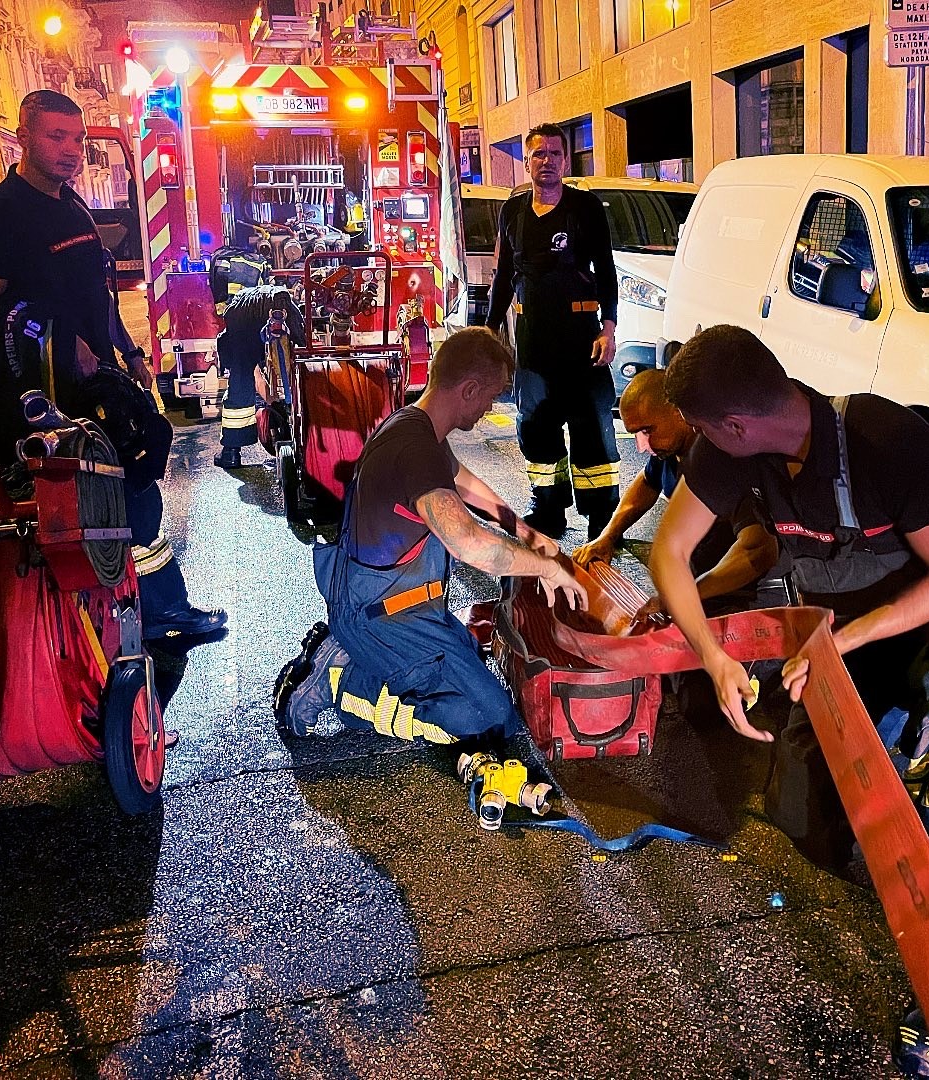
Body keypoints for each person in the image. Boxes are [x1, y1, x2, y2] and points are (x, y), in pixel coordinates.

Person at [646, 324, 929, 1077]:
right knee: (813, 822)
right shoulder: (729, 451)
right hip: (841, 639)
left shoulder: (886, 438)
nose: (695, 446)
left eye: (705, 431)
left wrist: (848, 641)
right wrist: (715, 660)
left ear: (736, 425)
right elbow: (668, 551)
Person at [0, 89, 226, 646]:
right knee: (101, 506)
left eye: (77, 138)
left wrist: (127, 352)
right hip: (44, 398)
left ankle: (155, 611)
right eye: (56, 136)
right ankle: (118, 625)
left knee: (137, 488)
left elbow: (99, 298)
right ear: (24, 136)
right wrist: (59, 343)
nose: (71, 149)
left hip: (99, 385)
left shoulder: (72, 205)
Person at [273, 326, 586, 754]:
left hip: (397, 605)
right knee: (487, 720)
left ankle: (356, 655)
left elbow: (464, 483)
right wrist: (547, 567)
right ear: (469, 389)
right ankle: (340, 683)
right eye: (491, 396)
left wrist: (526, 532)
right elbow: (470, 544)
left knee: (479, 676)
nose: (490, 407)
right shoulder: (414, 448)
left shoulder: (416, 427)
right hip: (381, 615)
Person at [485, 123, 619, 543]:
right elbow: (504, 276)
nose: (547, 161)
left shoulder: (586, 209)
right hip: (534, 343)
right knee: (537, 428)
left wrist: (609, 327)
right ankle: (549, 508)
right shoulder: (513, 212)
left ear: (566, 159)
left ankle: (601, 519)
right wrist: (490, 331)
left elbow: (607, 271)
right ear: (526, 162)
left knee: (591, 431)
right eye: (538, 154)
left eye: (554, 154)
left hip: (582, 341)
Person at [571, 365, 775, 608]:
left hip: (744, 594)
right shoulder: (669, 449)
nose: (642, 446)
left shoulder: (723, 459)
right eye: (636, 434)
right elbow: (647, 482)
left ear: (679, 411)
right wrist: (608, 535)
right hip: (696, 575)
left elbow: (759, 551)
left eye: (647, 430)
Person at [213, 285, 304, 469]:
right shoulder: (282, 300)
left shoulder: (235, 317)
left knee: (240, 381)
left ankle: (231, 453)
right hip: (282, 301)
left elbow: (252, 371)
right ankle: (304, 434)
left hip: (246, 316)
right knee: (303, 358)